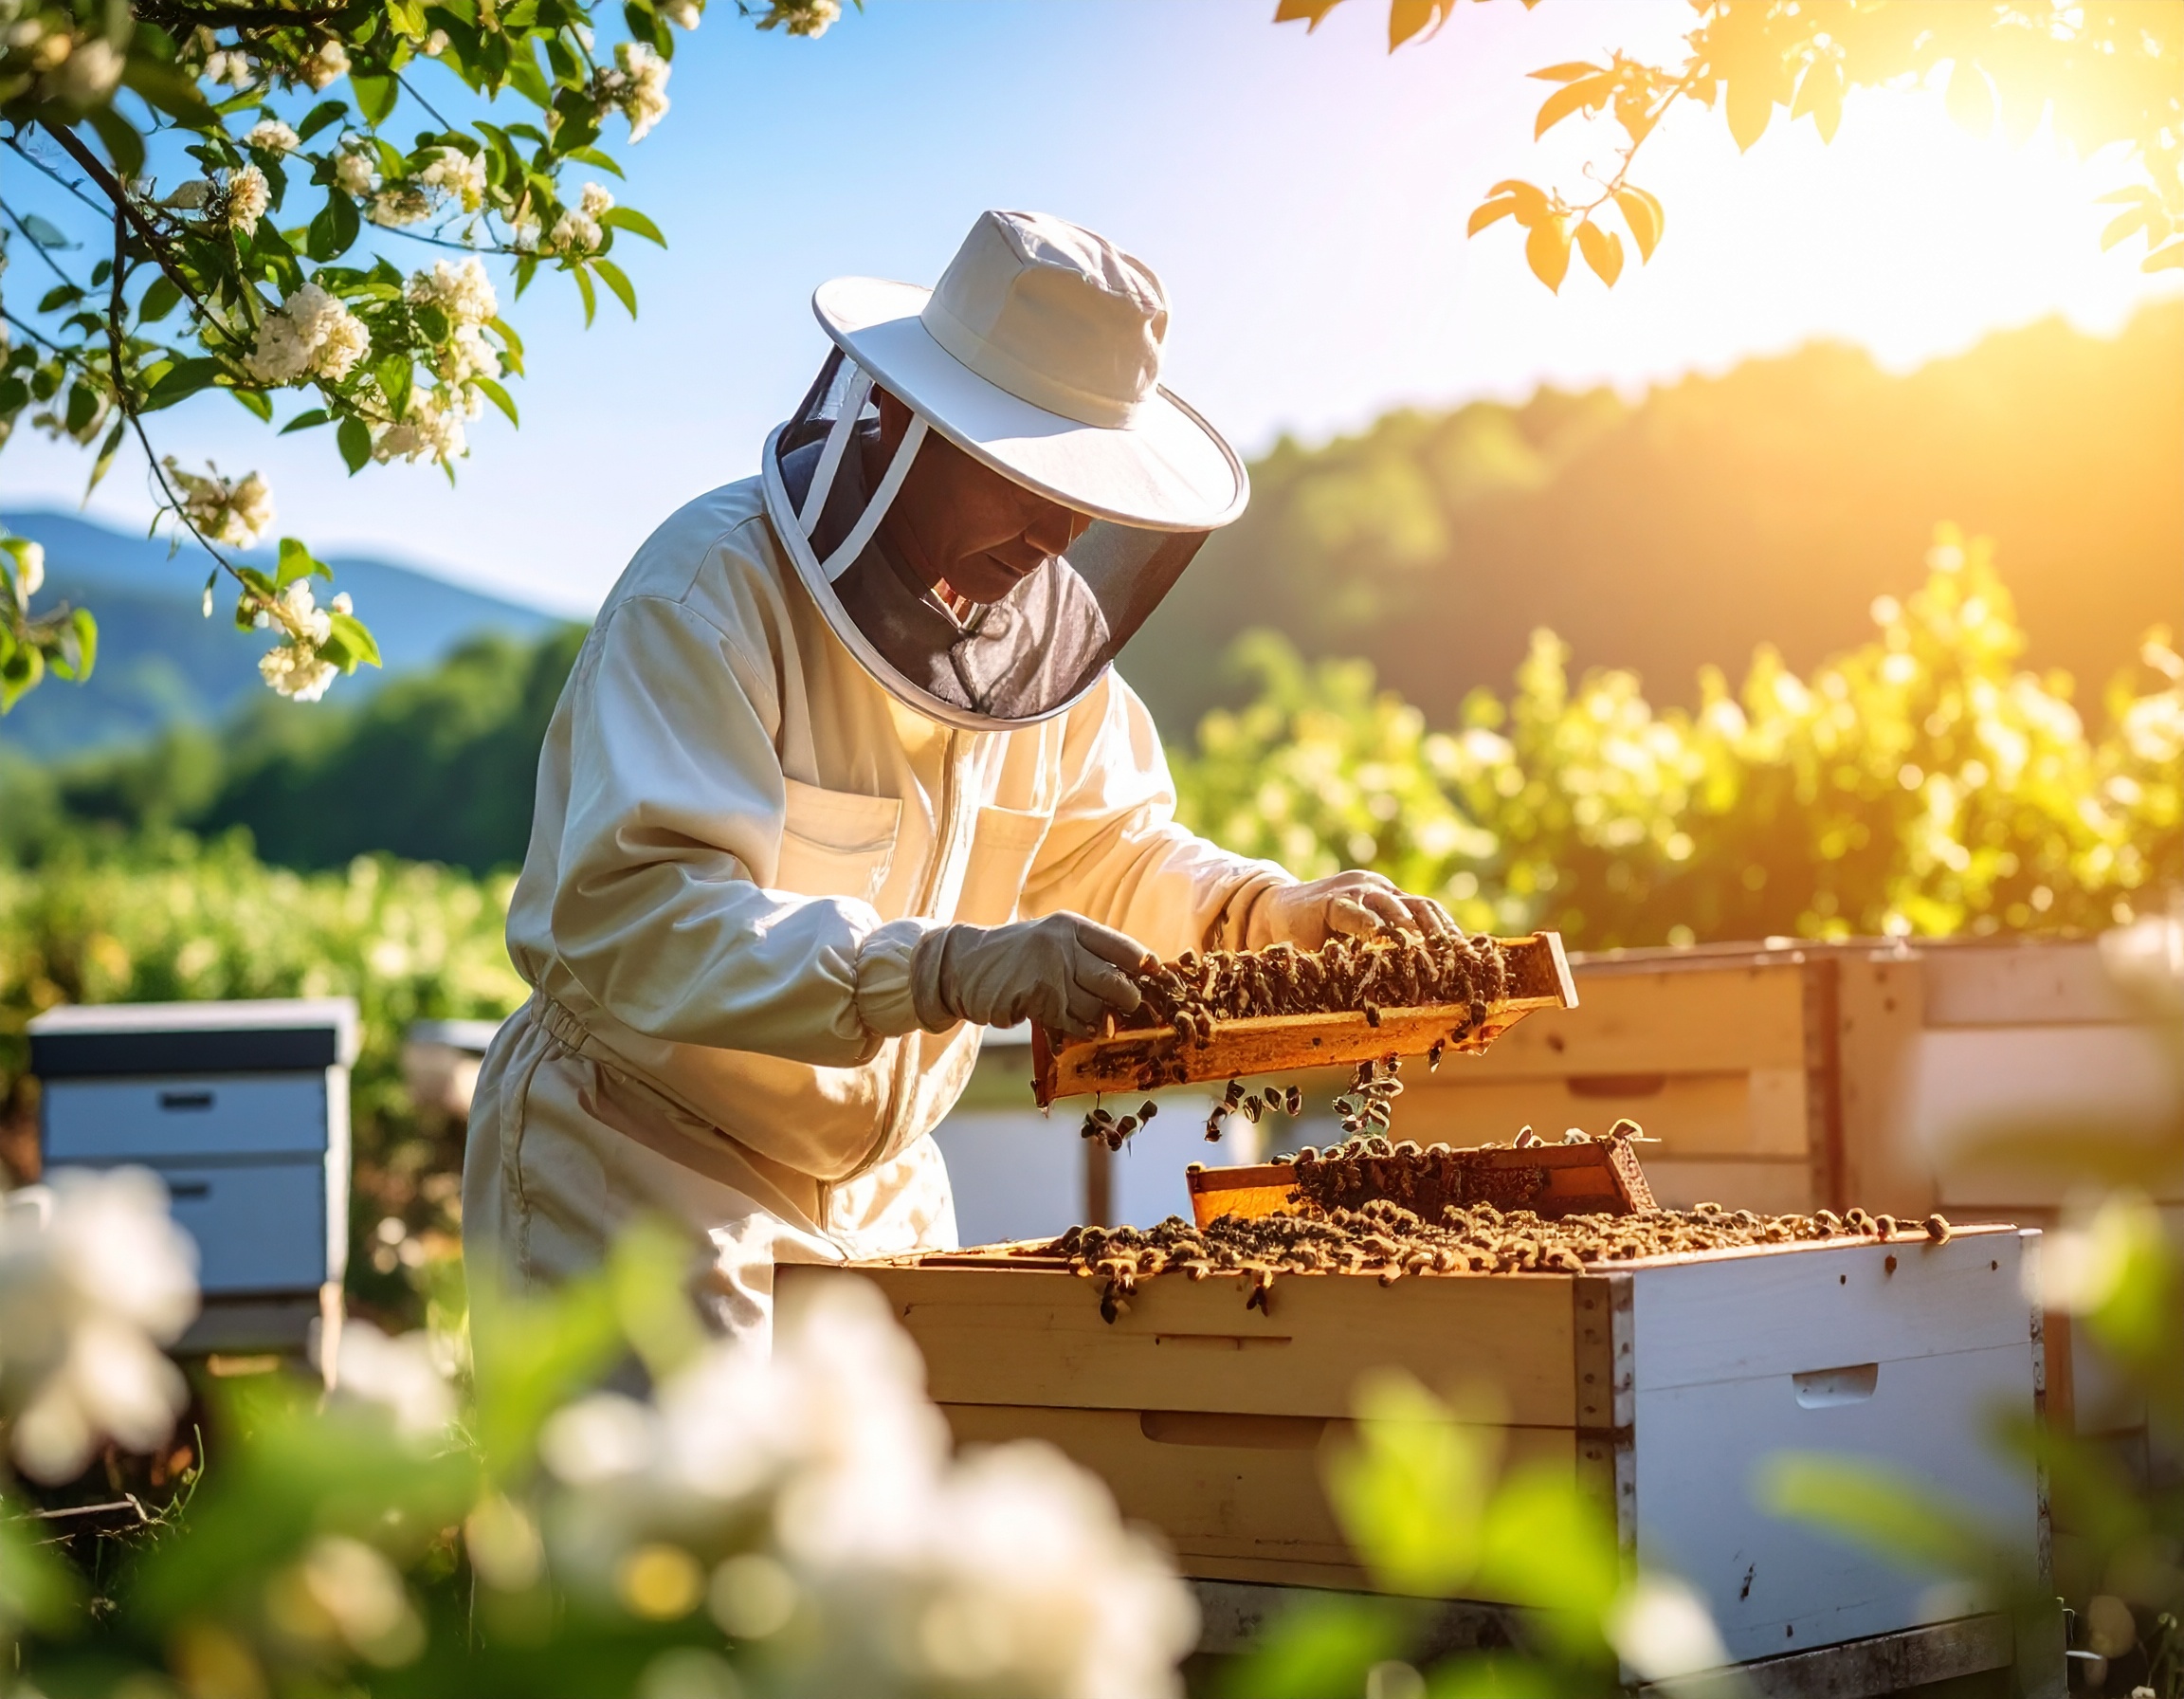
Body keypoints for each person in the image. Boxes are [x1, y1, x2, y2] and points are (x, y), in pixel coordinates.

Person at [463, 210, 1457, 1342]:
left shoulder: (1041, 648)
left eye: (1086, 488)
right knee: (683, 1472)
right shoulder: (710, 592)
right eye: (1026, 472)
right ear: (900, 416)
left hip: (883, 1193)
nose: (1059, 530)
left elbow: (1110, 855)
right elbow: (644, 916)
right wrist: (938, 968)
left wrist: (1268, 914)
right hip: (644, 1165)